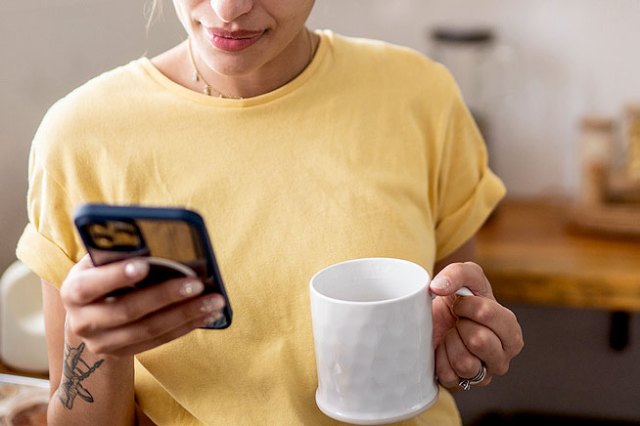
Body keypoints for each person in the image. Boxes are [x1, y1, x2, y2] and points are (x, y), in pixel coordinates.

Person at [16, 0, 524, 425]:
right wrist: (99, 349)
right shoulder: (81, 136)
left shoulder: (420, 95)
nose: (227, 9)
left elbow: (449, 323)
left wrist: (465, 349)